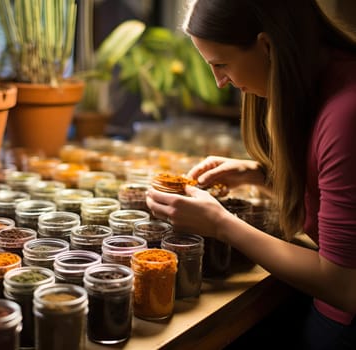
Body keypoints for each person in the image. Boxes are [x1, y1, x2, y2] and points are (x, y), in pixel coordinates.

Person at [146, 0, 356, 348]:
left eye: (222, 64)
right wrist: (258, 176)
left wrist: (221, 224)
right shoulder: (327, 77)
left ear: (267, 46)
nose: (219, 83)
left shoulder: (346, 114)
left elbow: (344, 285)